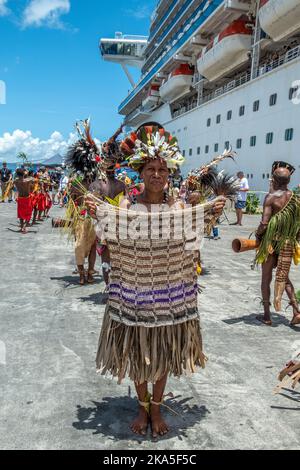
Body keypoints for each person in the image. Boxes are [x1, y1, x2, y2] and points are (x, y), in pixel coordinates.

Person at [86, 124, 225, 438]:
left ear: (169, 172)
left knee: (161, 354)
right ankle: (143, 407)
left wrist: (210, 213)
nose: (157, 174)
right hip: (131, 296)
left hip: (169, 297)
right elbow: (108, 240)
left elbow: (191, 243)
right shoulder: (124, 207)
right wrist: (98, 213)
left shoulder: (179, 208)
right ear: (141, 171)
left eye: (163, 169)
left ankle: (158, 408)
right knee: (137, 354)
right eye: (151, 168)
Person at [255, 161, 300, 326]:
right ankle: (297, 311)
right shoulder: (295, 199)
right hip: (287, 244)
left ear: (273, 180)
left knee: (266, 278)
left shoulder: (271, 198)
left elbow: (264, 223)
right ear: (288, 182)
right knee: (284, 277)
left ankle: (267, 316)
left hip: (271, 244)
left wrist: (258, 235)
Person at [14, 168, 34, 233]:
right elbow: (33, 178)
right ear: (23, 173)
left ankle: (22, 227)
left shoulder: (15, 181)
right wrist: (26, 172)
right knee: (29, 213)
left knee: (21, 213)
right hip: (27, 198)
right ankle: (24, 227)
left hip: (20, 198)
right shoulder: (28, 180)